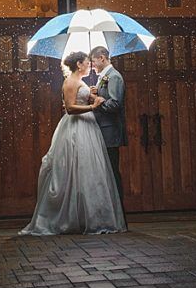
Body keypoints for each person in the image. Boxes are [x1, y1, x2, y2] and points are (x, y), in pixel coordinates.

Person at [19, 51, 127, 236]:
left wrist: (92, 94)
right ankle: (69, 217)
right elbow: (69, 108)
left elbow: (84, 97)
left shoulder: (82, 81)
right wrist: (92, 106)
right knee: (73, 170)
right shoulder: (70, 81)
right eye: (87, 62)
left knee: (90, 173)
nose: (90, 65)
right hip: (76, 128)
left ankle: (90, 216)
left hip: (89, 128)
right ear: (79, 64)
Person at [89, 45, 126, 214]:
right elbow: (107, 96)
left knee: (112, 172)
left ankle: (118, 213)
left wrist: (97, 99)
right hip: (103, 131)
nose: (93, 65)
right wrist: (98, 91)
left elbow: (115, 104)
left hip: (110, 132)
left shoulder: (114, 77)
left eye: (94, 61)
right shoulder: (104, 77)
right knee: (107, 172)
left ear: (102, 58)